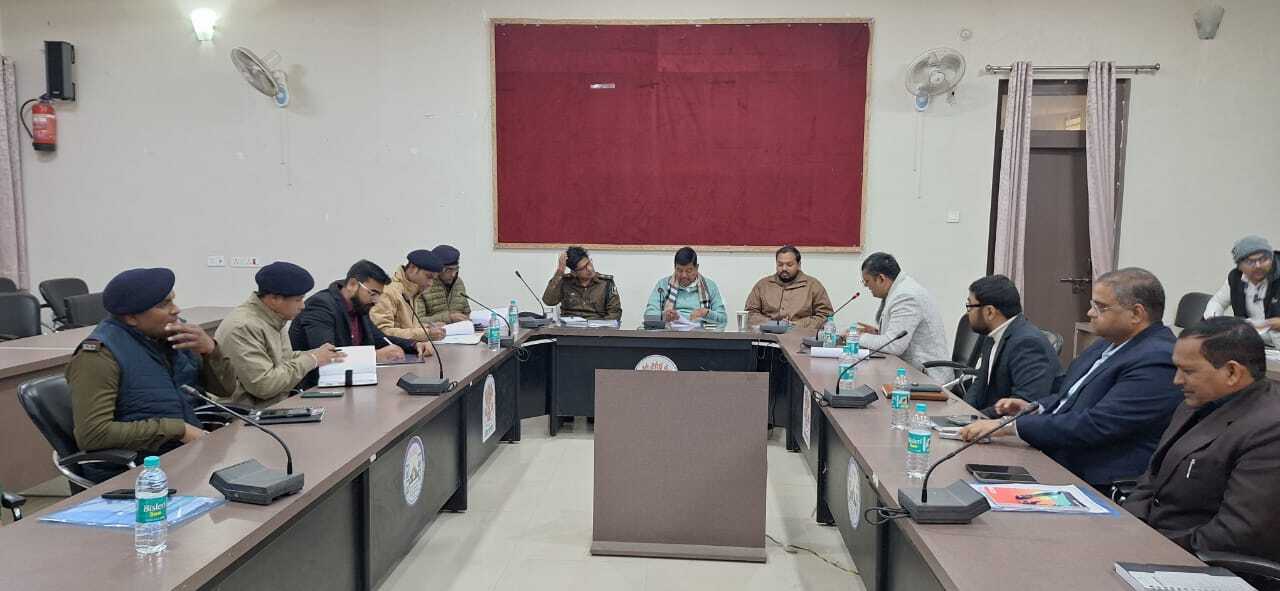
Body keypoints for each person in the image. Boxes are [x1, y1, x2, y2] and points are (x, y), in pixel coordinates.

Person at [959, 268, 1184, 491]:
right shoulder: (1106, 344)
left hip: (1095, 479)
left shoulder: (1157, 359)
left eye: (1100, 307)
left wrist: (1011, 426)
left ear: (1136, 313)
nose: (1090, 312)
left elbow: (1098, 425)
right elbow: (1068, 396)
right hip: (1060, 456)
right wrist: (1035, 408)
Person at [1124, 317, 1280, 565]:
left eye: (1188, 371)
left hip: (1202, 562)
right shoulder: (1194, 403)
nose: (1176, 380)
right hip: (1149, 540)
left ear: (1232, 372)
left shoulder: (1270, 429)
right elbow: (1151, 477)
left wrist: (1152, 546)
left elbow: (1237, 533)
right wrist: (1127, 525)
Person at [68, 268, 236, 467]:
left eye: (173, 301)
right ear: (131, 318)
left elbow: (225, 390)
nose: (176, 310)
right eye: (163, 305)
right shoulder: (99, 356)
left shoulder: (171, 338)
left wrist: (211, 351)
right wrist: (178, 430)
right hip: (141, 469)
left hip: (188, 453)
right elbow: (93, 434)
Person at [215, 261, 346, 408]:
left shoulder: (275, 317)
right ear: (274, 299)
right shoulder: (243, 327)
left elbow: (283, 360)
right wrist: (313, 359)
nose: (303, 306)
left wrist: (317, 354)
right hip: (246, 413)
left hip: (275, 404)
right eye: (298, 300)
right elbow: (264, 386)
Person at [289, 260, 434, 388]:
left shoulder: (359, 307)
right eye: (373, 293)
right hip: (314, 390)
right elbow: (327, 355)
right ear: (352, 284)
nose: (376, 301)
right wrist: (374, 356)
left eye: (379, 295)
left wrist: (414, 345)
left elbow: (381, 338)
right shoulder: (321, 306)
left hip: (350, 383)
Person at [963, 275, 1061, 416]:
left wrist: (976, 419)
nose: (967, 313)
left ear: (989, 312)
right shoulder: (992, 335)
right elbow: (980, 384)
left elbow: (1023, 404)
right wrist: (961, 414)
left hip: (1012, 425)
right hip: (989, 419)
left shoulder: (1027, 344)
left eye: (969, 306)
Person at [855, 252, 949, 382]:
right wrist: (876, 334)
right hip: (909, 370)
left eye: (867, 281)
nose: (866, 286)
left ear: (881, 278)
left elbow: (894, 346)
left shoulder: (906, 296)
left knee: (865, 380)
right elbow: (897, 337)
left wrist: (857, 337)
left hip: (929, 377)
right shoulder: (900, 289)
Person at [1203, 235, 1280, 347]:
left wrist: (1271, 324)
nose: (1258, 266)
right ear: (1239, 265)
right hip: (1252, 343)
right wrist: (1214, 323)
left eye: (1263, 259)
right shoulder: (1236, 278)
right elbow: (1218, 302)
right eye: (1250, 262)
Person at [744, 245, 833, 330]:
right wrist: (771, 324)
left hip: (801, 336)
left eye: (789, 265)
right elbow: (750, 313)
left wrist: (797, 325)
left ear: (799, 264)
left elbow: (825, 316)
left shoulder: (813, 286)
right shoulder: (763, 285)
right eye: (780, 264)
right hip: (767, 336)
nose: (784, 268)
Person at [370, 249, 447, 342]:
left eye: (433, 279)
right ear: (413, 268)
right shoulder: (388, 292)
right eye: (428, 277)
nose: (430, 283)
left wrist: (427, 327)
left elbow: (405, 326)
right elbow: (383, 333)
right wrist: (426, 334)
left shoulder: (412, 291)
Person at [643, 247, 727, 327]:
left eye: (689, 271)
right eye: (679, 270)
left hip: (701, 334)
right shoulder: (662, 285)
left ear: (696, 268)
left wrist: (706, 313)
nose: (684, 275)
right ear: (674, 268)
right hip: (670, 333)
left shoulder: (710, 286)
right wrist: (664, 316)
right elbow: (648, 317)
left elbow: (723, 319)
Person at [542, 245, 622, 321]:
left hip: (597, 327)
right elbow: (548, 301)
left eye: (589, 263)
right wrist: (560, 272)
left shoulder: (606, 283)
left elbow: (614, 313)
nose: (590, 269)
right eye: (583, 268)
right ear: (574, 273)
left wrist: (603, 327)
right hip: (570, 328)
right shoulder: (565, 282)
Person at [422, 244, 472, 324]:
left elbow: (467, 313)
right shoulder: (423, 285)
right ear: (437, 269)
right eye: (449, 270)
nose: (453, 274)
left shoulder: (458, 282)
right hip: (434, 331)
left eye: (456, 269)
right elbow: (416, 321)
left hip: (459, 330)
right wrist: (448, 318)